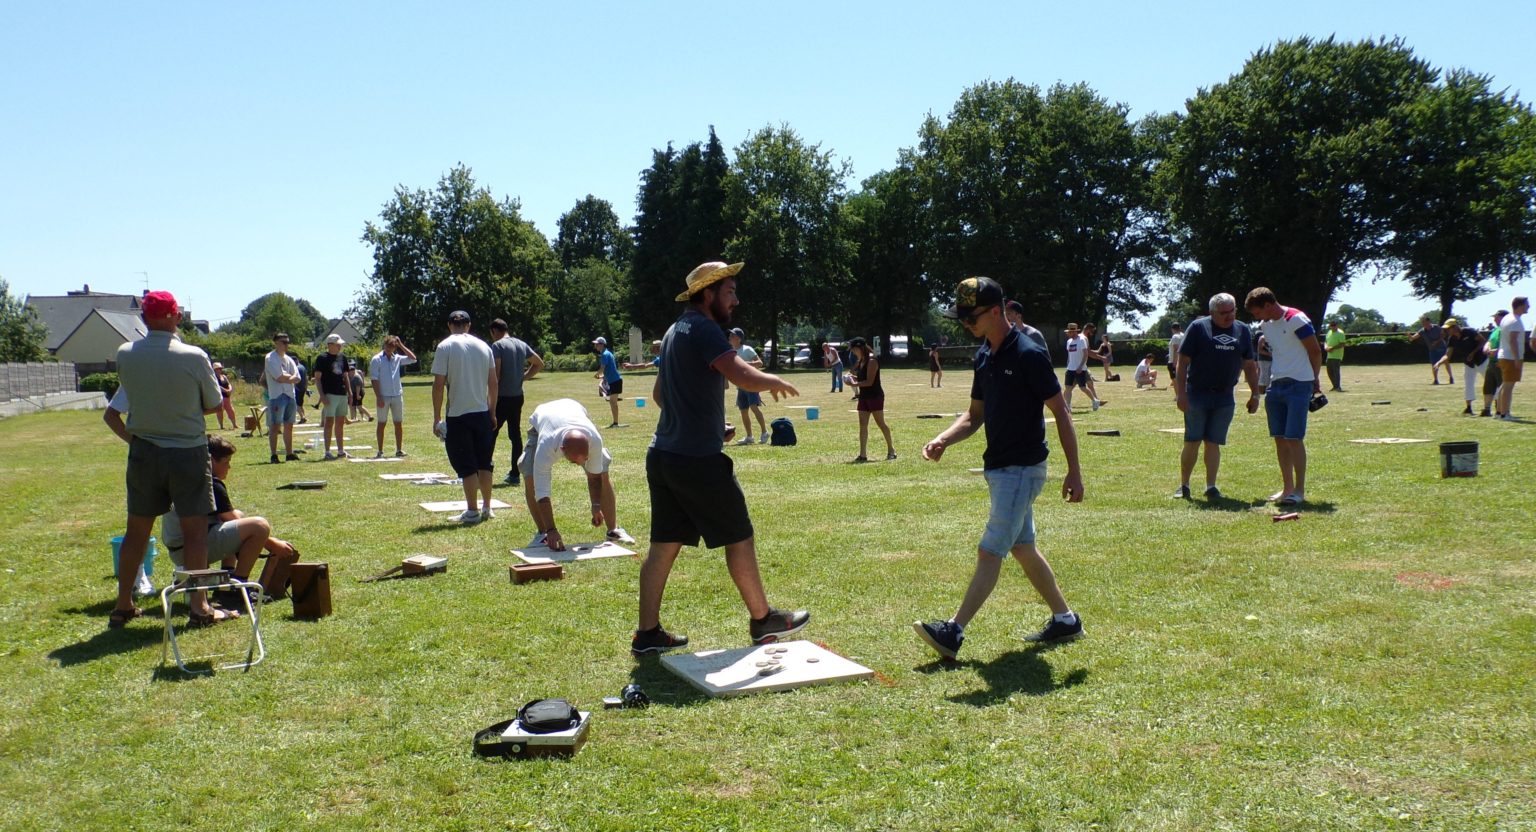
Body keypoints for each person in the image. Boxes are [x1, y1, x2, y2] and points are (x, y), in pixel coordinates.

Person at [633, 260, 808, 655]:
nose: (735, 300)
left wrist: (705, 422)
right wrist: (772, 379)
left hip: (663, 455)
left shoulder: (675, 330)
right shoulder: (704, 328)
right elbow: (742, 375)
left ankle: (647, 634)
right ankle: (763, 620)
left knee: (664, 545)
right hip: (697, 460)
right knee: (738, 535)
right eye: (729, 292)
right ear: (708, 293)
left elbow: (661, 395)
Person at [913, 277, 1086, 659]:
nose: (965, 324)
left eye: (971, 317)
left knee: (990, 551)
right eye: (961, 318)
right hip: (1000, 468)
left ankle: (953, 631)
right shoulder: (983, 355)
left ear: (996, 311)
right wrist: (943, 439)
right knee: (1023, 547)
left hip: (1022, 468)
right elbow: (974, 415)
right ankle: (1066, 620)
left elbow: (1061, 411)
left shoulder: (1028, 353)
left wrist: (1074, 471)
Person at [109, 290, 227, 629]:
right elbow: (214, 403)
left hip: (144, 451)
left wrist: (137, 438)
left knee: (136, 531)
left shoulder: (125, 354)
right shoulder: (194, 356)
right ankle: (199, 606)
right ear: (175, 316)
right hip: (187, 451)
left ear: (144, 318)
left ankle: (123, 604)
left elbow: (128, 402)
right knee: (195, 532)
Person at [161, 435, 301, 604]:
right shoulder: (212, 483)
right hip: (191, 550)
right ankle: (237, 587)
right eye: (226, 462)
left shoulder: (189, 476)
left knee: (239, 517)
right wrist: (273, 544)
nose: (229, 467)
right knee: (259, 525)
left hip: (180, 548)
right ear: (210, 460)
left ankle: (228, 576)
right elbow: (238, 523)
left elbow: (232, 519)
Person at [1172, 293, 1260, 500]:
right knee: (1192, 440)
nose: (1229, 316)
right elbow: (1182, 362)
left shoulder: (1242, 330)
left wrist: (1255, 394)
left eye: (1232, 311)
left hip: (1225, 397)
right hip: (1197, 394)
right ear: (1212, 313)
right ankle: (1184, 485)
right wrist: (1181, 394)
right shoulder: (1198, 328)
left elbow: (1249, 365)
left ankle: (1211, 486)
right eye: (1223, 313)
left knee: (1214, 442)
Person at [518, 398, 634, 551]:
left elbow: (594, 477)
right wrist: (552, 529)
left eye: (584, 459)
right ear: (562, 450)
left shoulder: (594, 440)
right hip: (543, 422)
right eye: (574, 461)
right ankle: (543, 534)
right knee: (530, 473)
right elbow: (542, 492)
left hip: (575, 412)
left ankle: (613, 530)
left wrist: (596, 506)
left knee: (602, 471)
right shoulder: (546, 445)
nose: (580, 464)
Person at [1245, 287, 1323, 507]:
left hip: (1299, 384)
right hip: (1275, 385)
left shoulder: (1296, 319)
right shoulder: (1265, 325)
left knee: (1294, 438)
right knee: (1279, 438)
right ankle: (1287, 488)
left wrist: (1313, 378)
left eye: (1257, 312)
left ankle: (1299, 490)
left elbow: (1315, 351)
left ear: (1268, 305)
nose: (1257, 318)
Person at [431, 310, 499, 524]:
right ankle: (487, 507)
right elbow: (493, 383)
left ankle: (472, 511)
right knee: (484, 462)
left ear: (450, 325)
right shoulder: (484, 346)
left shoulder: (445, 346)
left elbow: (438, 385)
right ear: (468, 325)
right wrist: (492, 411)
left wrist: (437, 417)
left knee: (467, 464)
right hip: (481, 412)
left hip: (458, 414)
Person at [102, 387, 156, 598]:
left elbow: (213, 404)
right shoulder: (136, 376)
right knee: (139, 526)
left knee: (184, 520)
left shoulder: (186, 371)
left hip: (182, 452)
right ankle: (137, 577)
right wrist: (136, 442)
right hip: (148, 459)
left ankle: (185, 574)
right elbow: (111, 415)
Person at [489, 319, 544, 484]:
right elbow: (539, 363)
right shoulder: (521, 344)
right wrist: (523, 377)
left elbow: (497, 375)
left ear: (494, 331)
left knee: (490, 433)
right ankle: (515, 474)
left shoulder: (497, 346)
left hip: (501, 397)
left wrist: (490, 399)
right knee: (515, 435)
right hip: (517, 396)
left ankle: (485, 470)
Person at [845, 336, 896, 462]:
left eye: (854, 350)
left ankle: (891, 450)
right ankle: (862, 455)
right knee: (862, 425)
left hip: (875, 396)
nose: (853, 352)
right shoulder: (861, 360)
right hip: (864, 396)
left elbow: (869, 382)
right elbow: (860, 377)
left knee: (880, 423)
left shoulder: (872, 360)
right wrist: (851, 378)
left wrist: (853, 384)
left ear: (860, 348)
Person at [369, 334, 418, 458]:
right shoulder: (377, 359)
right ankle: (380, 451)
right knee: (382, 423)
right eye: (388, 346)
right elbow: (374, 379)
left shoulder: (397, 358)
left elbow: (413, 359)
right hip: (383, 396)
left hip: (397, 395)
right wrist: (378, 397)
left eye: (392, 347)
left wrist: (401, 345)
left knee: (398, 423)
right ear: (384, 345)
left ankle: (399, 450)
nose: (389, 349)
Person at [262, 333, 302, 464]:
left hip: (290, 395)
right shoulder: (270, 358)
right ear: (276, 343)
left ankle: (289, 453)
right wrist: (290, 377)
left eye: (287, 342)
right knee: (275, 426)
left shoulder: (289, 359)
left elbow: (298, 377)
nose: (286, 345)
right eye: (283, 342)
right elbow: (279, 377)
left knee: (289, 426)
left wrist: (288, 377)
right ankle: (274, 455)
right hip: (277, 396)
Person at [313, 334, 353, 460]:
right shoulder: (322, 358)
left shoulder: (342, 357)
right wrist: (322, 396)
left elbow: (345, 376)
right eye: (337, 344)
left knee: (340, 422)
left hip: (342, 393)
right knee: (329, 422)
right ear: (330, 345)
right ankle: (327, 451)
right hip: (329, 393)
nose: (340, 346)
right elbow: (317, 379)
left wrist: (350, 392)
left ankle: (341, 450)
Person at [727, 328, 768, 445]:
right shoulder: (730, 352)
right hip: (740, 386)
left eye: (732, 335)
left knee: (754, 408)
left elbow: (759, 363)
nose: (730, 337)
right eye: (730, 335)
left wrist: (745, 364)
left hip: (751, 384)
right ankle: (749, 437)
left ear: (739, 339)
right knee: (743, 411)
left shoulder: (747, 349)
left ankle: (764, 432)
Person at [1441, 320, 1486, 415]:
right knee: (1468, 383)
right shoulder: (1452, 339)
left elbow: (1483, 341)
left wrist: (1473, 353)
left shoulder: (1469, 331)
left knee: (1489, 382)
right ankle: (1469, 408)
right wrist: (1438, 363)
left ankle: (1496, 405)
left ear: (1455, 327)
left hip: (1482, 361)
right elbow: (1447, 355)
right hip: (1468, 363)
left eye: (1448, 328)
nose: (1447, 331)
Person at [1494, 296, 1528, 420]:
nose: (1528, 306)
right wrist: (1517, 359)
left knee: (1505, 384)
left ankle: (1499, 412)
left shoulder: (1507, 318)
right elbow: (1513, 341)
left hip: (1504, 355)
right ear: (1520, 305)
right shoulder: (1515, 321)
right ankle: (1504, 414)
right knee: (1508, 386)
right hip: (1510, 357)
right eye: (1527, 304)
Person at [1061, 323, 1104, 412]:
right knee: (1068, 388)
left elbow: (1085, 354)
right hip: (1070, 368)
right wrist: (1068, 366)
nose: (1068, 334)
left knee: (1083, 388)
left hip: (1080, 369)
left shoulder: (1081, 340)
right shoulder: (1069, 342)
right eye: (1068, 332)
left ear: (1074, 332)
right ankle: (1068, 407)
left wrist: (1080, 366)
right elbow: (1069, 356)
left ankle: (1095, 400)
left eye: (1070, 332)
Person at [1409, 315, 1452, 385]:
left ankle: (1451, 377)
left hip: (1441, 348)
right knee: (1434, 364)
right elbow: (1413, 338)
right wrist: (1410, 336)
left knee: (1446, 362)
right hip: (1432, 350)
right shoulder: (1422, 331)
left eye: (1424, 322)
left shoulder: (1436, 327)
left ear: (1428, 321)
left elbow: (1443, 335)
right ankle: (1436, 380)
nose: (1423, 324)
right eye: (1422, 322)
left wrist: (1437, 341)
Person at [592, 336, 624, 428]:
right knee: (612, 402)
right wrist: (602, 376)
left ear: (602, 345)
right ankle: (615, 423)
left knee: (613, 402)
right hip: (614, 380)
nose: (595, 346)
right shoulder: (606, 353)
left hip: (615, 381)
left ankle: (616, 423)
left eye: (597, 344)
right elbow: (608, 370)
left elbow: (602, 368)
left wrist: (597, 374)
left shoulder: (605, 354)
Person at [1480, 311, 1507, 417]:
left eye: (1497, 317)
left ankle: (1501, 410)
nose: (1494, 319)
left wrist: (1497, 351)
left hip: (1501, 362)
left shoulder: (1506, 329)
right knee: (1488, 386)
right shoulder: (1496, 330)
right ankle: (1487, 409)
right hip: (1491, 362)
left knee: (1502, 386)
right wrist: (1486, 347)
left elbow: (1509, 344)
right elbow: (1489, 341)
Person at [1323, 320, 1348, 392]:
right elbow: (1326, 341)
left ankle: (1338, 387)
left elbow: (1342, 344)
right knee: (1329, 371)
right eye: (1331, 325)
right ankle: (1335, 386)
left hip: (1337, 356)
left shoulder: (1340, 333)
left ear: (1337, 325)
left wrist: (1332, 348)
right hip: (1329, 355)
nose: (1333, 327)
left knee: (1335, 371)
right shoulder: (1329, 332)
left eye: (1334, 325)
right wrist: (1326, 347)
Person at [212, 363, 238, 429]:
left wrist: (230, 389)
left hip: (227, 396)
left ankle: (234, 424)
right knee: (220, 410)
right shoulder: (213, 378)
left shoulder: (223, 376)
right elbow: (217, 386)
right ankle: (221, 426)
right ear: (214, 370)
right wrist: (226, 391)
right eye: (218, 369)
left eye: (220, 368)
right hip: (219, 396)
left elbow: (228, 384)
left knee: (230, 410)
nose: (219, 370)